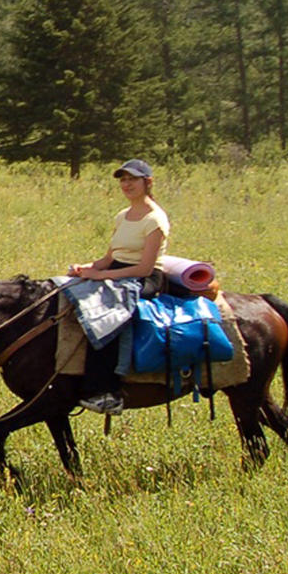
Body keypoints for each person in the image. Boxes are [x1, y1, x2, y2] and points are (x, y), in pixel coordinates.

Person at [66, 157, 170, 414]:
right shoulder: (123, 216)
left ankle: (108, 389)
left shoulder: (155, 219)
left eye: (132, 179)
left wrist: (102, 277)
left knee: (107, 316)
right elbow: (108, 258)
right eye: (123, 179)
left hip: (143, 279)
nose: (126, 184)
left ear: (147, 182)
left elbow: (145, 268)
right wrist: (86, 268)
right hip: (117, 272)